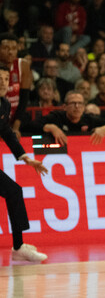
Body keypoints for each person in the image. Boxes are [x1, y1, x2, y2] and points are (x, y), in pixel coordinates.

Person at [0, 65, 49, 263]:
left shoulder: (4, 104)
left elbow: (6, 133)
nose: (3, 82)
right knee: (14, 191)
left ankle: (19, 247)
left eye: (5, 79)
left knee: (14, 192)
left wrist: (25, 157)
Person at [31, 90, 105, 145]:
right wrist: (51, 127)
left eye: (80, 103)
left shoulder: (89, 119)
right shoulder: (57, 117)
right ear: (64, 107)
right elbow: (31, 125)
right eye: (73, 103)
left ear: (84, 107)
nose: (77, 106)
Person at [0, 33, 33, 140]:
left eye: (14, 48)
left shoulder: (23, 65)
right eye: (6, 48)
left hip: (15, 117)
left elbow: (24, 99)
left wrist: (15, 127)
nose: (10, 52)